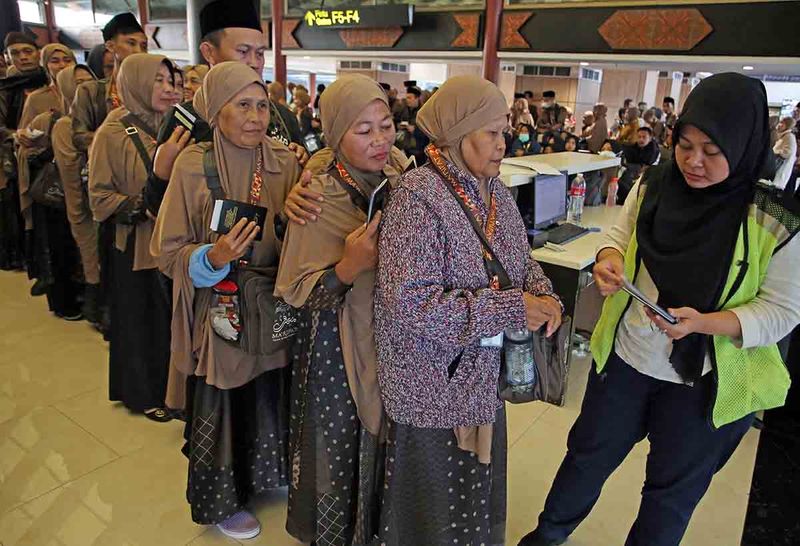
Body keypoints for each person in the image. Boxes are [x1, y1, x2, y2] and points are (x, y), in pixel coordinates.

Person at [520, 73, 800, 546]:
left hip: (704, 381)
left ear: (745, 142)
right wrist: (609, 260)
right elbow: (619, 236)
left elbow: (782, 310)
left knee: (670, 495)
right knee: (586, 458)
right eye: (686, 144)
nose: (693, 161)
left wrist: (704, 324)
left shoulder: (773, 217)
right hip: (629, 360)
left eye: (713, 152)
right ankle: (547, 537)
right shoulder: (656, 183)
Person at [375, 75, 562, 545]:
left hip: (481, 381)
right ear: (458, 136)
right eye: (493, 133)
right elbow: (410, 305)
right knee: (432, 508)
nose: (505, 143)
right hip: (430, 387)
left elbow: (521, 260)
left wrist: (545, 296)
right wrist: (512, 308)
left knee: (472, 500)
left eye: (506, 132)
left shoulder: (494, 191)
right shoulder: (417, 197)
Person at [151, 61, 301, 540]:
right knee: (227, 394)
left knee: (268, 387)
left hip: (272, 301)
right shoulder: (193, 167)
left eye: (262, 105)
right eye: (243, 106)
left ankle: (262, 476)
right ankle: (222, 500)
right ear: (217, 112)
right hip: (221, 306)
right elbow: (166, 252)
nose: (257, 116)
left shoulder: (283, 160)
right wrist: (212, 256)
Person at [274, 73, 407, 546]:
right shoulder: (317, 196)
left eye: (385, 124)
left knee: (383, 438)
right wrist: (348, 269)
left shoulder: (398, 171)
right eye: (362, 129)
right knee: (337, 441)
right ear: (335, 134)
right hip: (334, 345)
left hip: (386, 333)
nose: (379, 140)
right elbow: (298, 295)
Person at [144, 0, 306, 219]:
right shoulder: (185, 120)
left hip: (274, 244)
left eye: (259, 54)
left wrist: (303, 165)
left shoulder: (282, 117)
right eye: (242, 51)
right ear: (209, 52)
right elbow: (156, 211)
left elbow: (303, 195)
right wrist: (160, 175)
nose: (253, 63)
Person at [88, 53, 177, 422]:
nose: (168, 88)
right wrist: (142, 206)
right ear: (136, 82)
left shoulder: (174, 127)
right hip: (136, 243)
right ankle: (142, 394)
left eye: (170, 80)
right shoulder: (113, 131)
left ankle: (172, 390)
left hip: (173, 243)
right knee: (140, 321)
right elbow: (99, 197)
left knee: (167, 321)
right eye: (157, 80)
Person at [15, 43, 78, 304]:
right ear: (45, 64)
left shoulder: (84, 91)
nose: (62, 65)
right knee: (58, 239)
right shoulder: (37, 98)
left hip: (78, 175)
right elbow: (24, 138)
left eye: (67, 59)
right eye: (55, 60)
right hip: (52, 177)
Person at [51, 64, 103, 325]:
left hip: (101, 206)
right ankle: (96, 312)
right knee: (92, 260)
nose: (86, 90)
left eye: (89, 83)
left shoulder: (102, 120)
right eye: (79, 84)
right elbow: (71, 175)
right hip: (83, 206)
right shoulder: (64, 126)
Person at [0, 32, 46, 272]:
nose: (23, 57)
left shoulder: (49, 80)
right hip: (14, 158)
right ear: (7, 57)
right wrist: (14, 135)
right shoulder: (5, 88)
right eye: (15, 53)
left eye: (27, 51)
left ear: (37, 53)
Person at [772, 117, 797, 190]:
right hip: (775, 171)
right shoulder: (783, 136)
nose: (779, 125)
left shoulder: (789, 137)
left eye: (782, 123)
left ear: (787, 125)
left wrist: (774, 152)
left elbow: (787, 153)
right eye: (780, 122)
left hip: (779, 172)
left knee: (771, 196)